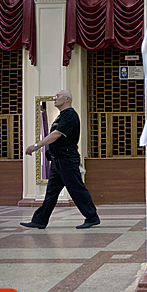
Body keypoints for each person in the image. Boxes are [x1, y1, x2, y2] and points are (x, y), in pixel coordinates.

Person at [20, 90, 101, 229]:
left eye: (58, 96)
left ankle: (92, 217)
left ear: (67, 99)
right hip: (58, 160)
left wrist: (36, 145)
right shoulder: (61, 116)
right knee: (51, 192)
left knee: (76, 189)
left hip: (67, 159)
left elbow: (56, 134)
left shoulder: (70, 115)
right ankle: (39, 220)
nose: (54, 98)